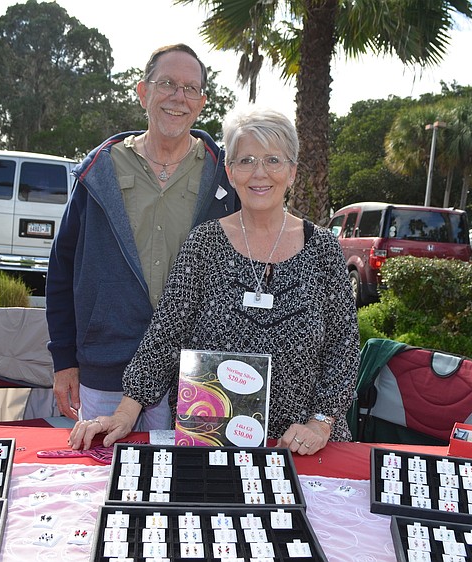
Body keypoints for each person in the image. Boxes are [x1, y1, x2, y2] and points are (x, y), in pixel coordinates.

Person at [69, 107, 359, 455]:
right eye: (246, 160)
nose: (259, 173)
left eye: (273, 160)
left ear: (292, 172)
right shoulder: (204, 244)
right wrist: (125, 412)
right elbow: (166, 333)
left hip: (301, 447)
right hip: (212, 442)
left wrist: (321, 422)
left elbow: (343, 346)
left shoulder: (323, 248)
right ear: (230, 172)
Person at [46, 44, 240, 430]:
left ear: (202, 102)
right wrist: (64, 359)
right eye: (167, 84)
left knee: (186, 471)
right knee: (102, 468)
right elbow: (62, 268)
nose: (178, 97)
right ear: (142, 92)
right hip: (107, 368)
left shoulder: (226, 177)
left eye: (190, 88)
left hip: (196, 376)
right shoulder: (99, 171)